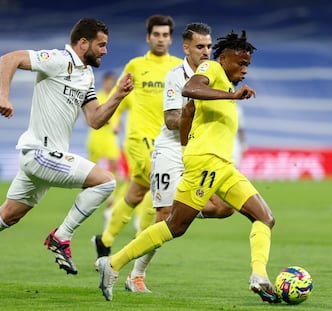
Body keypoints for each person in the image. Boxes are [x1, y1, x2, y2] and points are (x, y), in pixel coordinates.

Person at [0, 17, 134, 301]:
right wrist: (3, 95)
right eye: (101, 45)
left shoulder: (86, 76)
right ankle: (61, 237)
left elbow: (95, 119)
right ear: (83, 43)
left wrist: (118, 96)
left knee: (8, 215)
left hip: (43, 159)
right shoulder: (58, 59)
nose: (105, 50)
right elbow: (10, 58)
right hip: (40, 153)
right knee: (105, 182)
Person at [96, 30, 281, 304]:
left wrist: (184, 149)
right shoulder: (212, 69)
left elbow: (188, 113)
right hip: (206, 162)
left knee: (265, 217)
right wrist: (230, 98)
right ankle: (112, 264)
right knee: (174, 225)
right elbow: (189, 89)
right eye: (240, 63)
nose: (244, 70)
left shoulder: (226, 85)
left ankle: (259, 276)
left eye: (248, 65)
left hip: (222, 166)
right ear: (225, 57)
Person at [124, 22, 234, 293]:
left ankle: (180, 211)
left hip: (199, 152)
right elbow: (172, 120)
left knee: (224, 207)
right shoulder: (177, 76)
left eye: (209, 46)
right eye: (200, 46)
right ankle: (134, 276)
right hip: (171, 152)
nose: (206, 51)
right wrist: (196, 108)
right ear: (186, 48)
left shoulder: (217, 75)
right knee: (163, 217)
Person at [92, 15, 182, 259]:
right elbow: (118, 96)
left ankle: (105, 240)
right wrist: (111, 121)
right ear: (148, 37)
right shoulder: (135, 66)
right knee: (159, 190)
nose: (161, 39)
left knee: (136, 192)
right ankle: (140, 242)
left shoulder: (179, 67)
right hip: (139, 139)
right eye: (156, 35)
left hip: (166, 141)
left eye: (165, 35)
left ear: (170, 38)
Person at [86, 71, 124, 228]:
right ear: (103, 82)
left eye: (112, 81)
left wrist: (117, 126)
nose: (110, 84)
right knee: (90, 168)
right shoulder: (97, 96)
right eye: (108, 81)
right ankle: (88, 194)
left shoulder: (115, 97)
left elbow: (118, 117)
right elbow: (91, 115)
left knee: (114, 165)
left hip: (109, 138)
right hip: (96, 136)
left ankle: (112, 196)